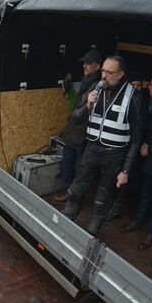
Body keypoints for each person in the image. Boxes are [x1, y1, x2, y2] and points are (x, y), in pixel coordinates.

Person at [62, 56, 144, 235]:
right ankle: (68, 217)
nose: (104, 76)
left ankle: (93, 229)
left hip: (115, 154)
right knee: (76, 187)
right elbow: (76, 119)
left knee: (103, 195)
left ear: (121, 74)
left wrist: (126, 170)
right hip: (91, 148)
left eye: (109, 72)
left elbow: (137, 138)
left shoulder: (133, 96)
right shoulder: (95, 88)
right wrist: (87, 106)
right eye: (103, 71)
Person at [119, 73, 152, 249]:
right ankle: (138, 221)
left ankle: (151, 233)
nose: (149, 87)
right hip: (150, 159)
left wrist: (150, 147)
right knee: (146, 193)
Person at [55, 49, 102, 203]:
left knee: (80, 171)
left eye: (88, 64)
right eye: (84, 63)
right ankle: (72, 195)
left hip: (83, 137)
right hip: (73, 135)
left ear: (97, 66)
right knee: (66, 166)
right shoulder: (86, 81)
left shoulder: (97, 86)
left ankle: (75, 199)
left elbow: (90, 113)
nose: (84, 66)